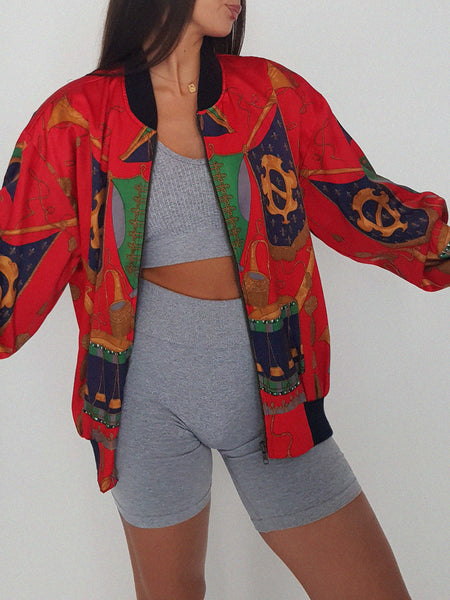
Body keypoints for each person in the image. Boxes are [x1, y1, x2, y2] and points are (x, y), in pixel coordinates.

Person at [0, 1, 448, 599]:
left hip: (274, 391)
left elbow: (359, 201)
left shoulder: (270, 95)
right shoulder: (75, 118)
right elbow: (17, 255)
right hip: (144, 400)